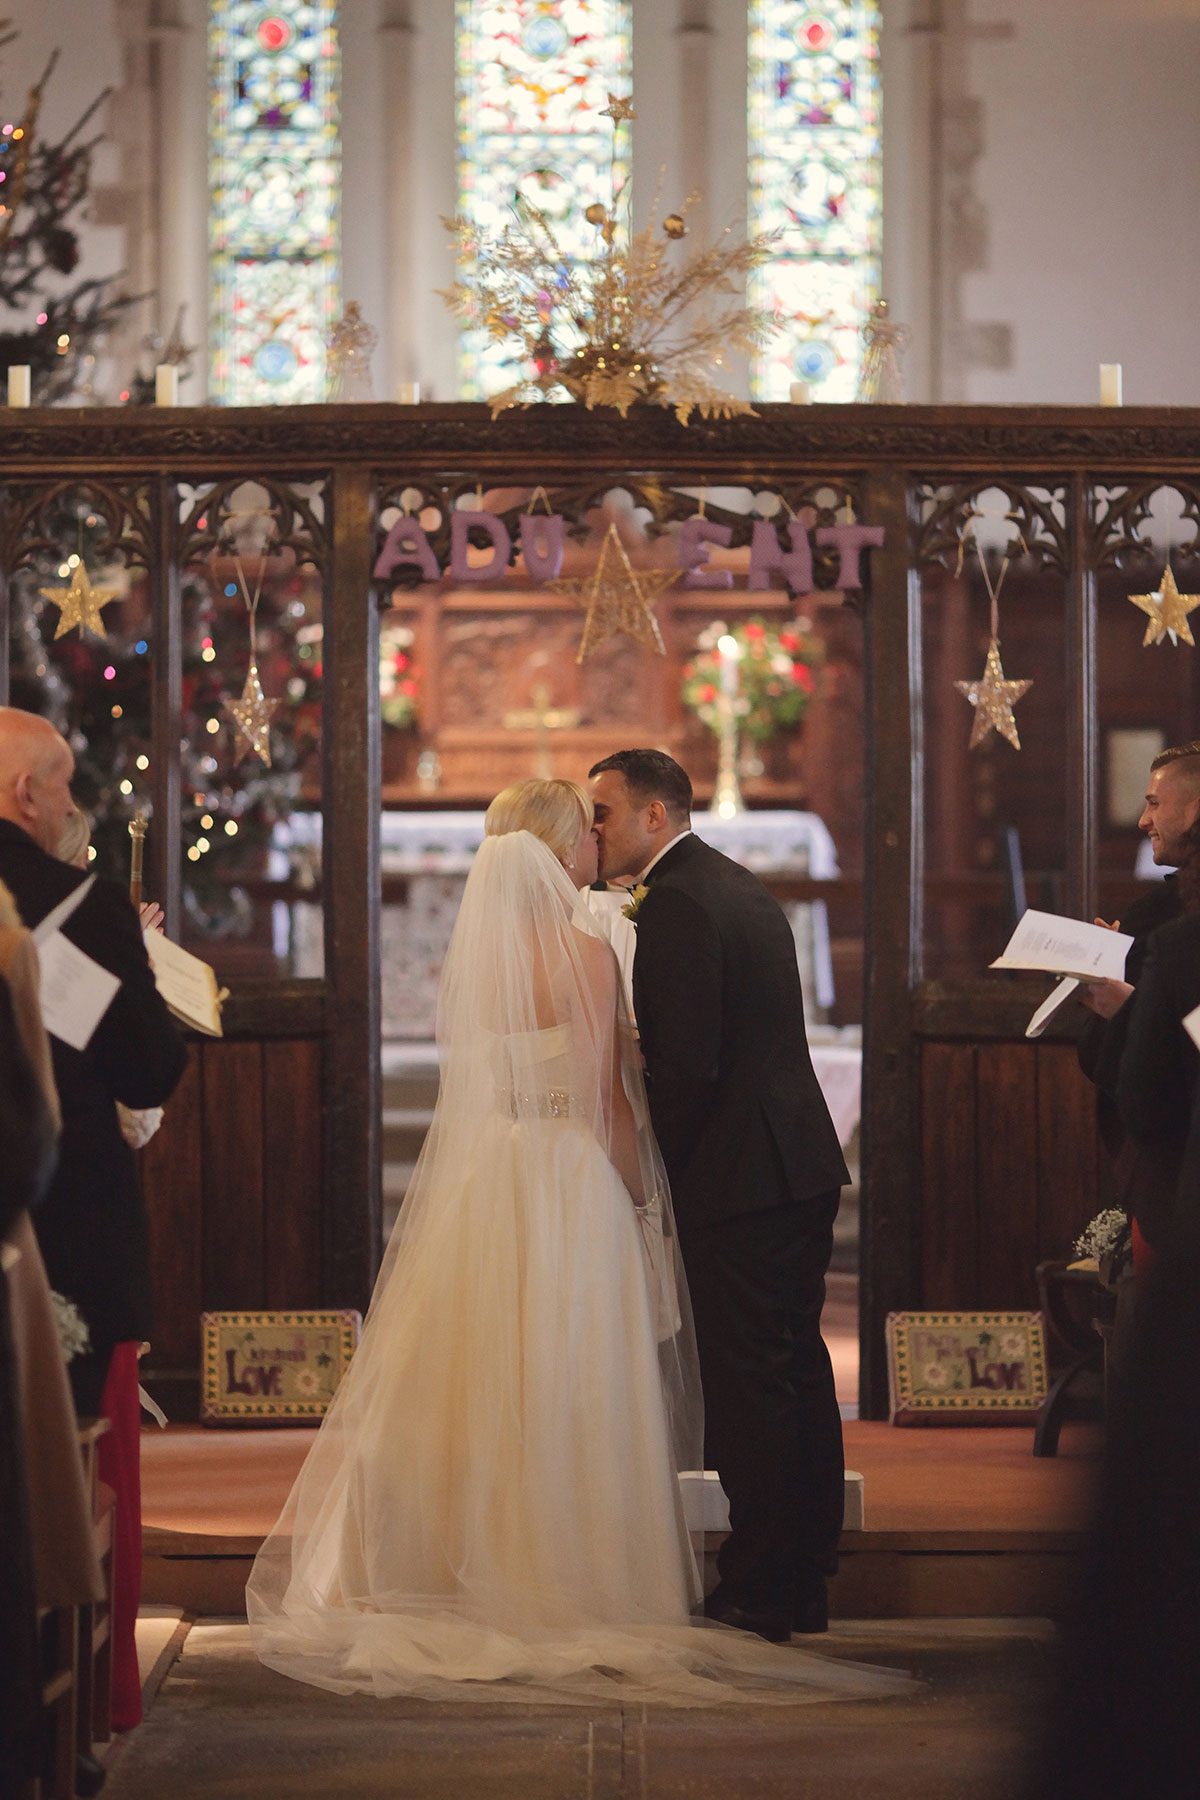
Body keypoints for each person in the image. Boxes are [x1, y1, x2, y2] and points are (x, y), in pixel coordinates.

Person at [249, 779, 910, 1707]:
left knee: (489, 1383)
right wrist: (645, 1199)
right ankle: (630, 1576)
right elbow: (608, 1104)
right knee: (585, 1384)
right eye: (586, 827)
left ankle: (464, 1571)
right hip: (574, 1180)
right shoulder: (599, 946)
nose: (598, 839)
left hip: (496, 1180)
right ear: (566, 853)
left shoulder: (481, 955)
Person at [588, 750, 850, 1644]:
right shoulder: (731, 885)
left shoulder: (680, 906)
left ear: (655, 816)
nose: (595, 831)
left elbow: (688, 1063)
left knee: (750, 1385)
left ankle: (763, 1584)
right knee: (793, 1369)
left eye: (605, 813)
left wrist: (647, 1162)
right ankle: (803, 1570)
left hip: (740, 1177)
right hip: (789, 1165)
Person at [0, 708, 185, 1427]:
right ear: (26, 794)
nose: (73, 807)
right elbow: (147, 1071)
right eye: (66, 787)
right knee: (52, 1458)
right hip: (62, 1221)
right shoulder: (87, 908)